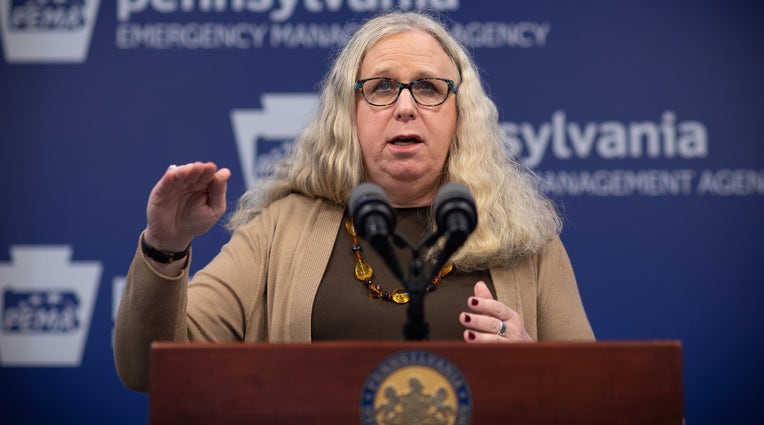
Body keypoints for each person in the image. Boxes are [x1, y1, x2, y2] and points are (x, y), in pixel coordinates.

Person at [114, 10, 594, 392]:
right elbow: (151, 370)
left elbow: (596, 395)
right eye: (382, 87)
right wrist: (166, 245)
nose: (405, 105)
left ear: (460, 116)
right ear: (350, 114)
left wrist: (536, 367)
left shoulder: (522, 238)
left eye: (428, 87)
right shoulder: (281, 228)